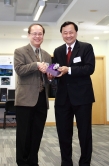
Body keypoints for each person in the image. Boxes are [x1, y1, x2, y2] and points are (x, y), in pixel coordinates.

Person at [53, 21, 95, 166]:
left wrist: (69, 70)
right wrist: (51, 74)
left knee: (84, 133)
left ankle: (85, 162)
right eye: (65, 33)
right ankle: (66, 162)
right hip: (63, 99)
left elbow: (89, 68)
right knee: (63, 133)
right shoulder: (58, 51)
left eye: (71, 32)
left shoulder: (86, 47)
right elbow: (56, 70)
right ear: (62, 34)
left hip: (82, 97)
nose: (68, 35)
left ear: (76, 32)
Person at [14, 23, 51, 166]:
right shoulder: (20, 51)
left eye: (40, 33)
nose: (37, 36)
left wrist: (51, 76)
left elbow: (48, 78)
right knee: (23, 134)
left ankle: (33, 161)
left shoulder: (47, 55)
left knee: (37, 132)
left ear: (43, 36)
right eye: (34, 33)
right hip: (25, 100)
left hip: (42, 99)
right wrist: (36, 65)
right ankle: (22, 162)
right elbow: (19, 70)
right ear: (29, 35)